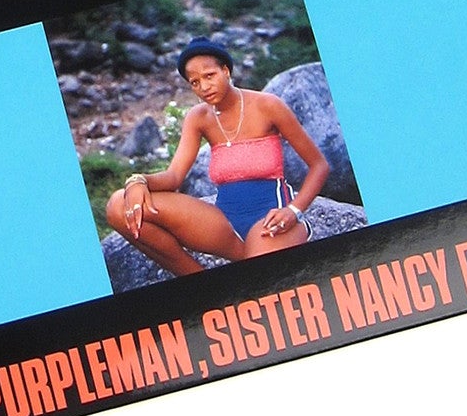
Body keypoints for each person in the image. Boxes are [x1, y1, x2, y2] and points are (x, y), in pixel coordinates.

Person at [103, 40, 331, 277]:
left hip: (270, 218)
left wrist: (294, 211)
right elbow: (174, 177)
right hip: (224, 224)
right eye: (195, 82)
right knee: (119, 205)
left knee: (260, 282)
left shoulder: (268, 105)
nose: (204, 87)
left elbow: (319, 166)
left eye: (209, 75)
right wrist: (138, 180)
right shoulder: (198, 117)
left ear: (226, 70)